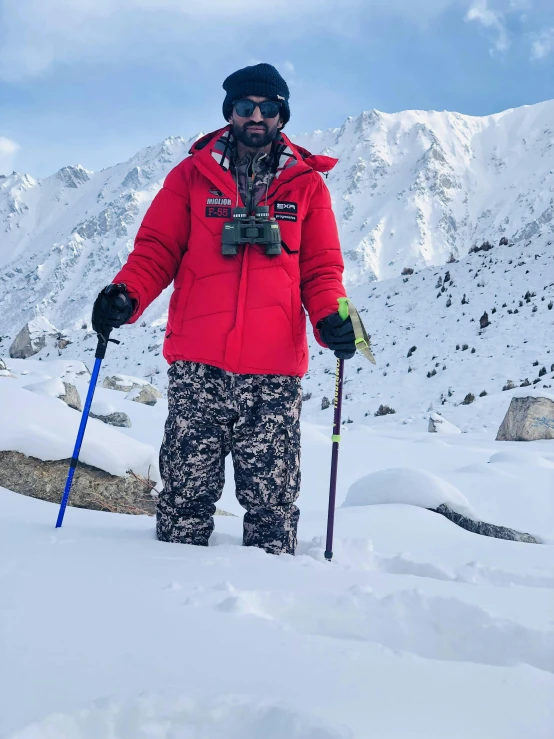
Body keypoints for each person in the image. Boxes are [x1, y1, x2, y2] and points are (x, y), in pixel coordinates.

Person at [91, 62, 357, 555]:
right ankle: (170, 610)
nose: (256, 115)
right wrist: (125, 295)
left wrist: (330, 320)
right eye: (245, 106)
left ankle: (273, 619)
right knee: (184, 504)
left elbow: (321, 271)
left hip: (274, 373)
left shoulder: (307, 187)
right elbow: (155, 252)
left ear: (282, 114)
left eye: (268, 107)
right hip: (199, 365)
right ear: (229, 112)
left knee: (272, 511)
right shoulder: (191, 177)